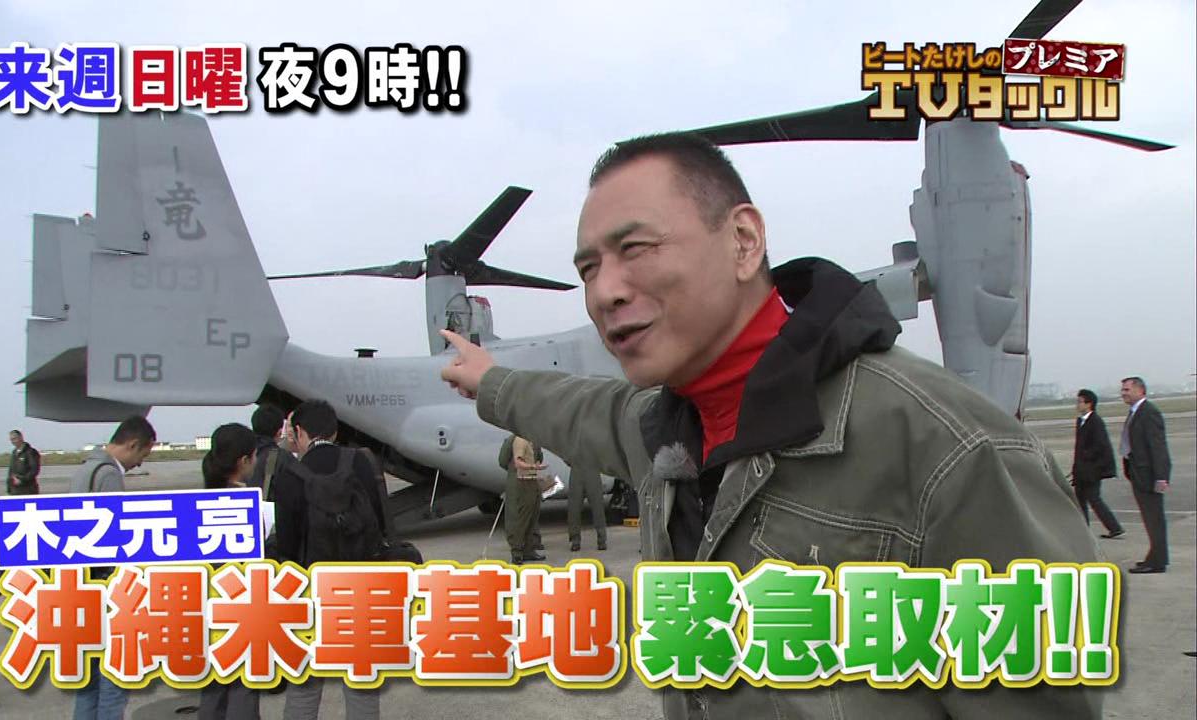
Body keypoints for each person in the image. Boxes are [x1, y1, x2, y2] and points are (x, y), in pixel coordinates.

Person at [441, 133, 1099, 718]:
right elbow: (577, 410)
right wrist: (488, 380)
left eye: (634, 248)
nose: (604, 291)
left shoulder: (951, 450)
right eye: (588, 269)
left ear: (744, 241)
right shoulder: (665, 431)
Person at [279, 400, 382, 720]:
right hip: (360, 588)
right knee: (361, 681)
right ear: (335, 431)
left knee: (305, 683)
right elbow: (379, 522)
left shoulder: (290, 472)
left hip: (309, 589)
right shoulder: (361, 462)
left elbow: (286, 541)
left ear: (300, 432)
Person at [69, 415, 156, 720]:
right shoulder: (108, 475)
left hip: (81, 589)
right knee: (114, 680)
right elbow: (113, 539)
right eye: (142, 455)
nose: (139, 463)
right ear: (132, 445)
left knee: (88, 684)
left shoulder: (85, 469)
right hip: (105, 589)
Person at [199, 424, 262, 720]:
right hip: (240, 605)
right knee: (243, 687)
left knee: (213, 687)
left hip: (207, 605)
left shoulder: (200, 500)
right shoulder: (244, 503)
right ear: (243, 460)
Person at [1119, 376, 1171, 574]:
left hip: (1149, 476)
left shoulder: (1149, 413)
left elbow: (1158, 447)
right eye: (1123, 390)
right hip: (1138, 474)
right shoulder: (1136, 412)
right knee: (1150, 519)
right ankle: (1155, 557)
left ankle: (1157, 561)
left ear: (1140, 390)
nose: (1123, 393)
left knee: (1154, 519)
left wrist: (1161, 477)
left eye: (1127, 390)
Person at [1071, 389, 1124, 539]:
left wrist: (1086, 459)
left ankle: (1114, 527)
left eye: (1080, 402)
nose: (1077, 405)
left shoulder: (1095, 422)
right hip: (1082, 470)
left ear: (1089, 404)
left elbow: (1100, 446)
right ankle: (1085, 530)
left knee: (1093, 498)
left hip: (1092, 470)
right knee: (1080, 499)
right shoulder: (1081, 421)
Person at [499, 435, 545, 563]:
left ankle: (529, 550)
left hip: (532, 479)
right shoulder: (514, 440)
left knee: (532, 516)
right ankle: (517, 552)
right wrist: (516, 470)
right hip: (518, 480)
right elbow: (503, 461)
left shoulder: (534, 440)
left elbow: (539, 457)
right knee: (519, 517)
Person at [566, 464, 607, 553]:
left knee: (598, 508)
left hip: (591, 471)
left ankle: (602, 539)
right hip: (578, 471)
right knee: (574, 509)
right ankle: (575, 540)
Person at [6, 429, 41, 495]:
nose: (13, 441)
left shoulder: (30, 452)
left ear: (21, 437)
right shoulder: (14, 453)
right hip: (15, 490)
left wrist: (22, 480)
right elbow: (11, 471)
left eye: (14, 439)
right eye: (11, 440)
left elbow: (34, 470)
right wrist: (9, 487)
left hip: (28, 489)